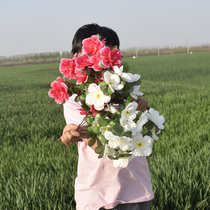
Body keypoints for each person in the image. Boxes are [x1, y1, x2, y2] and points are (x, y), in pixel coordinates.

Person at [60, 23, 153, 210]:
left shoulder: (126, 88)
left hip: (135, 189)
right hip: (97, 194)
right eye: (89, 57)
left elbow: (144, 130)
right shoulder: (74, 99)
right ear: (77, 59)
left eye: (109, 56)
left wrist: (143, 111)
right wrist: (73, 137)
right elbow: (98, 143)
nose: (99, 64)